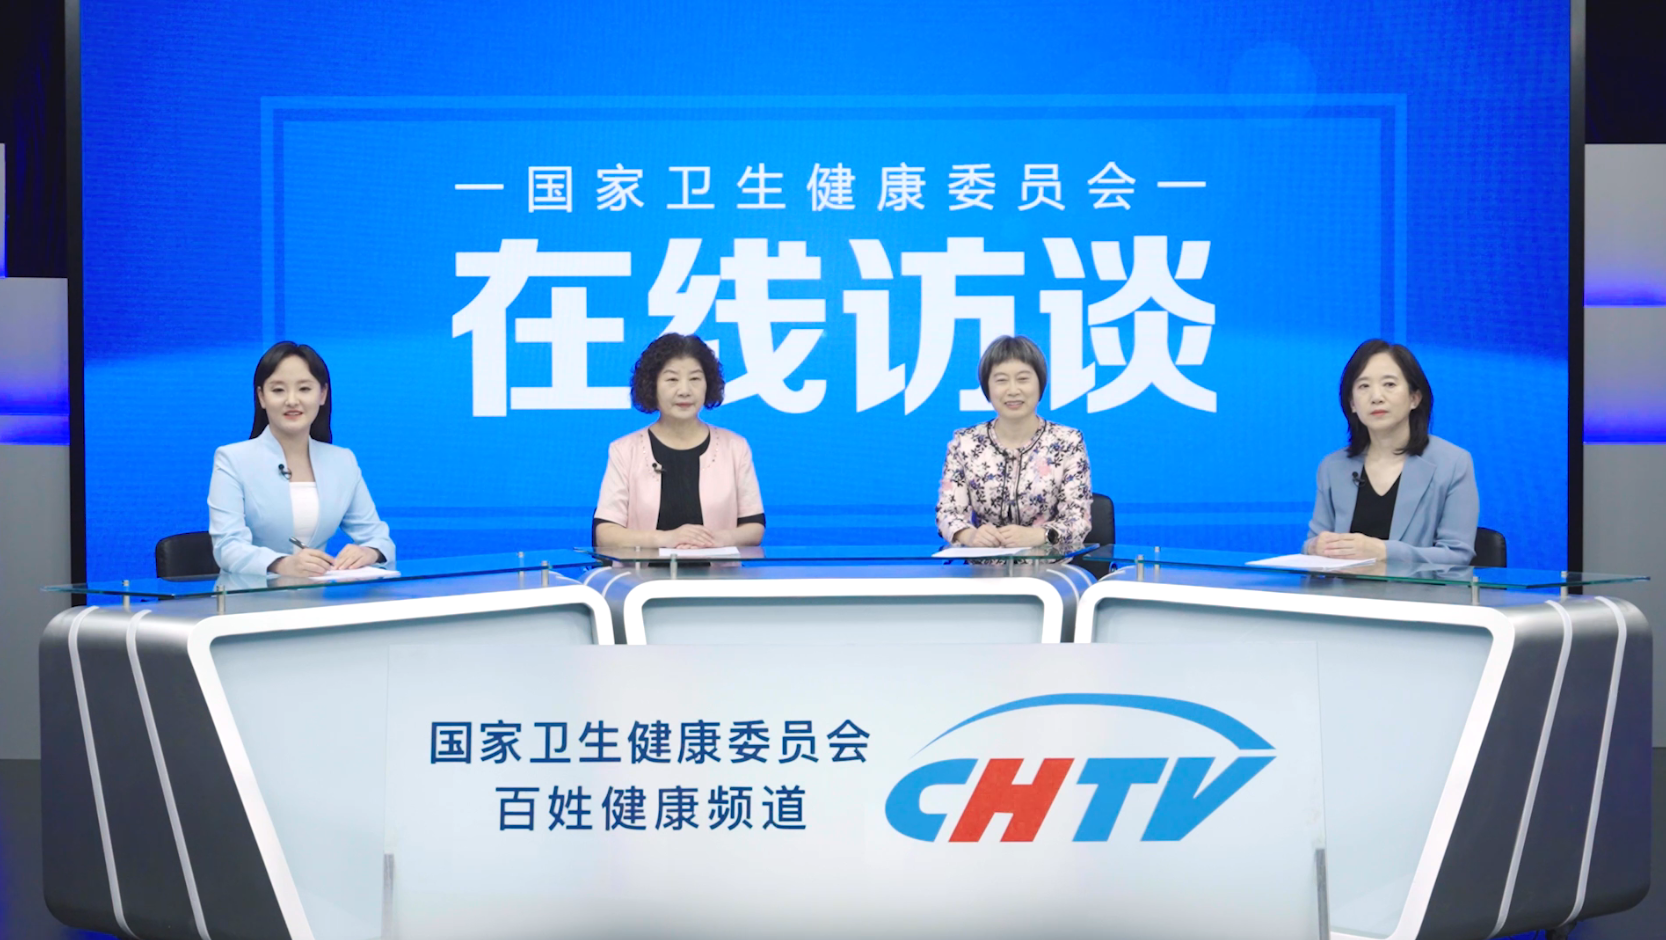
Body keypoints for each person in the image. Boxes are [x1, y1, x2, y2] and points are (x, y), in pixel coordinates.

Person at [208, 342, 395, 576]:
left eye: (304, 389)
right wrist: (282, 564)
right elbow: (227, 547)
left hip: (317, 595)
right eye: (278, 390)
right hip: (252, 594)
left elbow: (380, 539)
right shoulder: (233, 459)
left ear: (322, 394)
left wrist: (370, 552)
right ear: (261, 397)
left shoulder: (342, 461)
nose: (292, 400)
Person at [1305, 339, 1478, 565]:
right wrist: (1314, 547)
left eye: (1389, 384)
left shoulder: (1453, 463)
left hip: (1416, 589)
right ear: (1352, 404)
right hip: (1344, 588)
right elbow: (1312, 545)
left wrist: (1382, 551)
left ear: (1414, 398)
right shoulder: (1332, 467)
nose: (1376, 397)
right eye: (1364, 386)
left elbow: (1457, 556)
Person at [593, 333, 765, 548]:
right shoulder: (625, 450)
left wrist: (716, 541)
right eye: (672, 380)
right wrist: (666, 539)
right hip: (644, 571)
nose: (684, 391)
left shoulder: (735, 447)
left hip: (718, 569)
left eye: (695, 379)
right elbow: (605, 534)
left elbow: (754, 527)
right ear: (652, 385)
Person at [937, 335, 1092, 548]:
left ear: (1040, 384)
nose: (1012, 390)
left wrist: (1040, 535)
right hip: (983, 565)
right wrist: (970, 535)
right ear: (987, 388)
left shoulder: (1068, 442)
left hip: (1048, 564)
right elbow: (947, 513)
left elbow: (1078, 520)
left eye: (1023, 379)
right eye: (1001, 380)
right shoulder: (964, 444)